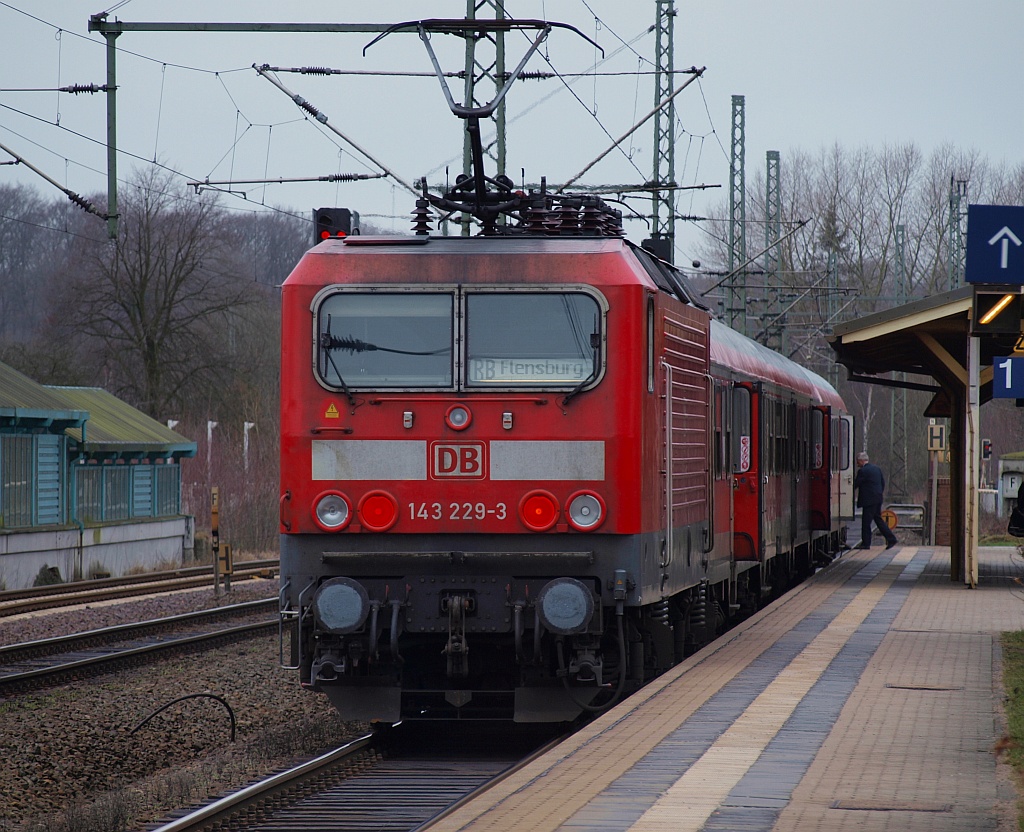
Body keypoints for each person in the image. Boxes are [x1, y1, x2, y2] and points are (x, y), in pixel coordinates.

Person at [853, 451, 898, 549]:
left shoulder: (863, 471)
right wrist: (878, 493)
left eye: (857, 461)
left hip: (869, 501)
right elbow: (882, 482)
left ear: (861, 461)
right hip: (878, 498)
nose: (857, 464)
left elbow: (856, 484)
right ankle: (891, 539)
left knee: (866, 522)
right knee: (878, 519)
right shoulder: (877, 469)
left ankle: (866, 544)